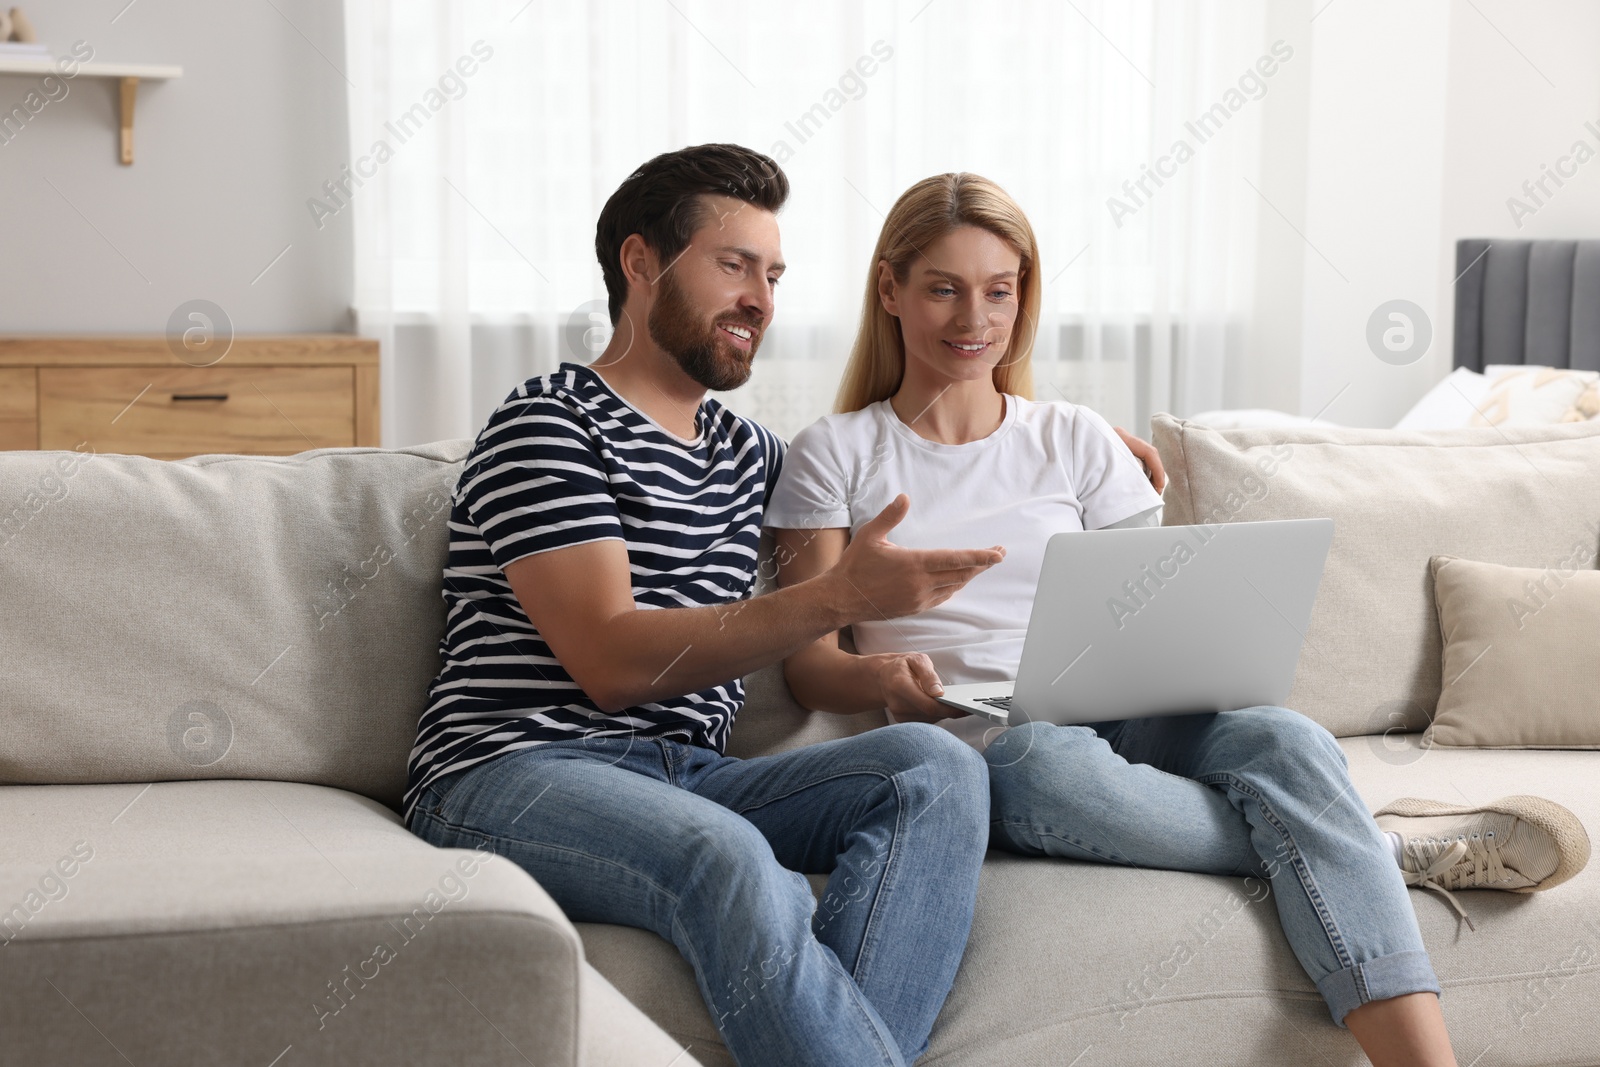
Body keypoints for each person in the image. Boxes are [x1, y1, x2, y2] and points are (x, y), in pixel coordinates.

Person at [763, 172, 1590, 1067]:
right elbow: (808, 662)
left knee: (1286, 737)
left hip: (1131, 709)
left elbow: (1158, 602)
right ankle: (1366, 845)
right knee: (1044, 761)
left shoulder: (1074, 438)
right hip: (987, 742)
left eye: (999, 291)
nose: (975, 318)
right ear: (889, 289)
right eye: (943, 289)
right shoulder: (834, 454)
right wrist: (882, 675)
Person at [400, 144, 1025, 1067]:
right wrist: (838, 595)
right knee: (728, 858)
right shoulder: (549, 420)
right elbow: (610, 660)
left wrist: (1075, 441)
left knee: (935, 769)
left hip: (691, 771)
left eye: (773, 275)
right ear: (641, 263)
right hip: (514, 767)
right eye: (734, 266)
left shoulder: (753, 456)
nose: (761, 300)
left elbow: (909, 454)